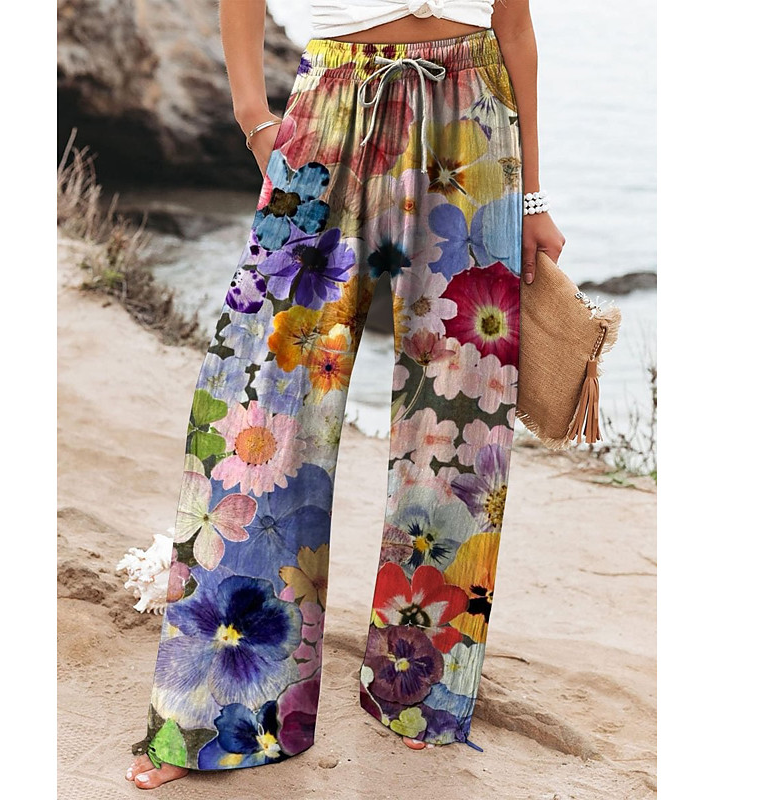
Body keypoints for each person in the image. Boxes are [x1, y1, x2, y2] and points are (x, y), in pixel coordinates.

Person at [126, 0, 565, 789]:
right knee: (263, 408)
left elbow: (516, 24)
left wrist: (533, 200)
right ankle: (217, 714)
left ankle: (416, 693)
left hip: (472, 118)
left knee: (458, 420)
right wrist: (254, 119)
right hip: (329, 112)